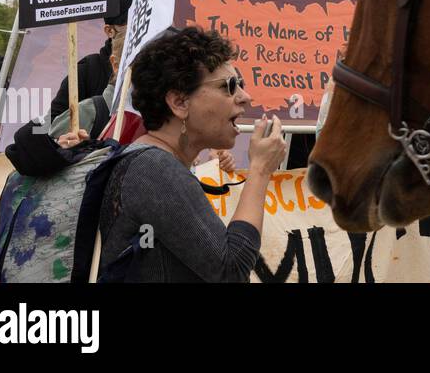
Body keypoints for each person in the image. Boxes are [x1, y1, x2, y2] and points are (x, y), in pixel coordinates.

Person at [91, 26, 287, 281]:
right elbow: (231, 271)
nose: (245, 97)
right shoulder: (155, 168)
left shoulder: (154, 162)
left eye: (240, 84)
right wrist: (260, 170)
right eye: (229, 86)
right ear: (180, 103)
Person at [43, 0, 134, 136]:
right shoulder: (88, 69)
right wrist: (75, 141)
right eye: (131, 24)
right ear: (109, 31)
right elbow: (53, 125)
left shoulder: (158, 66)